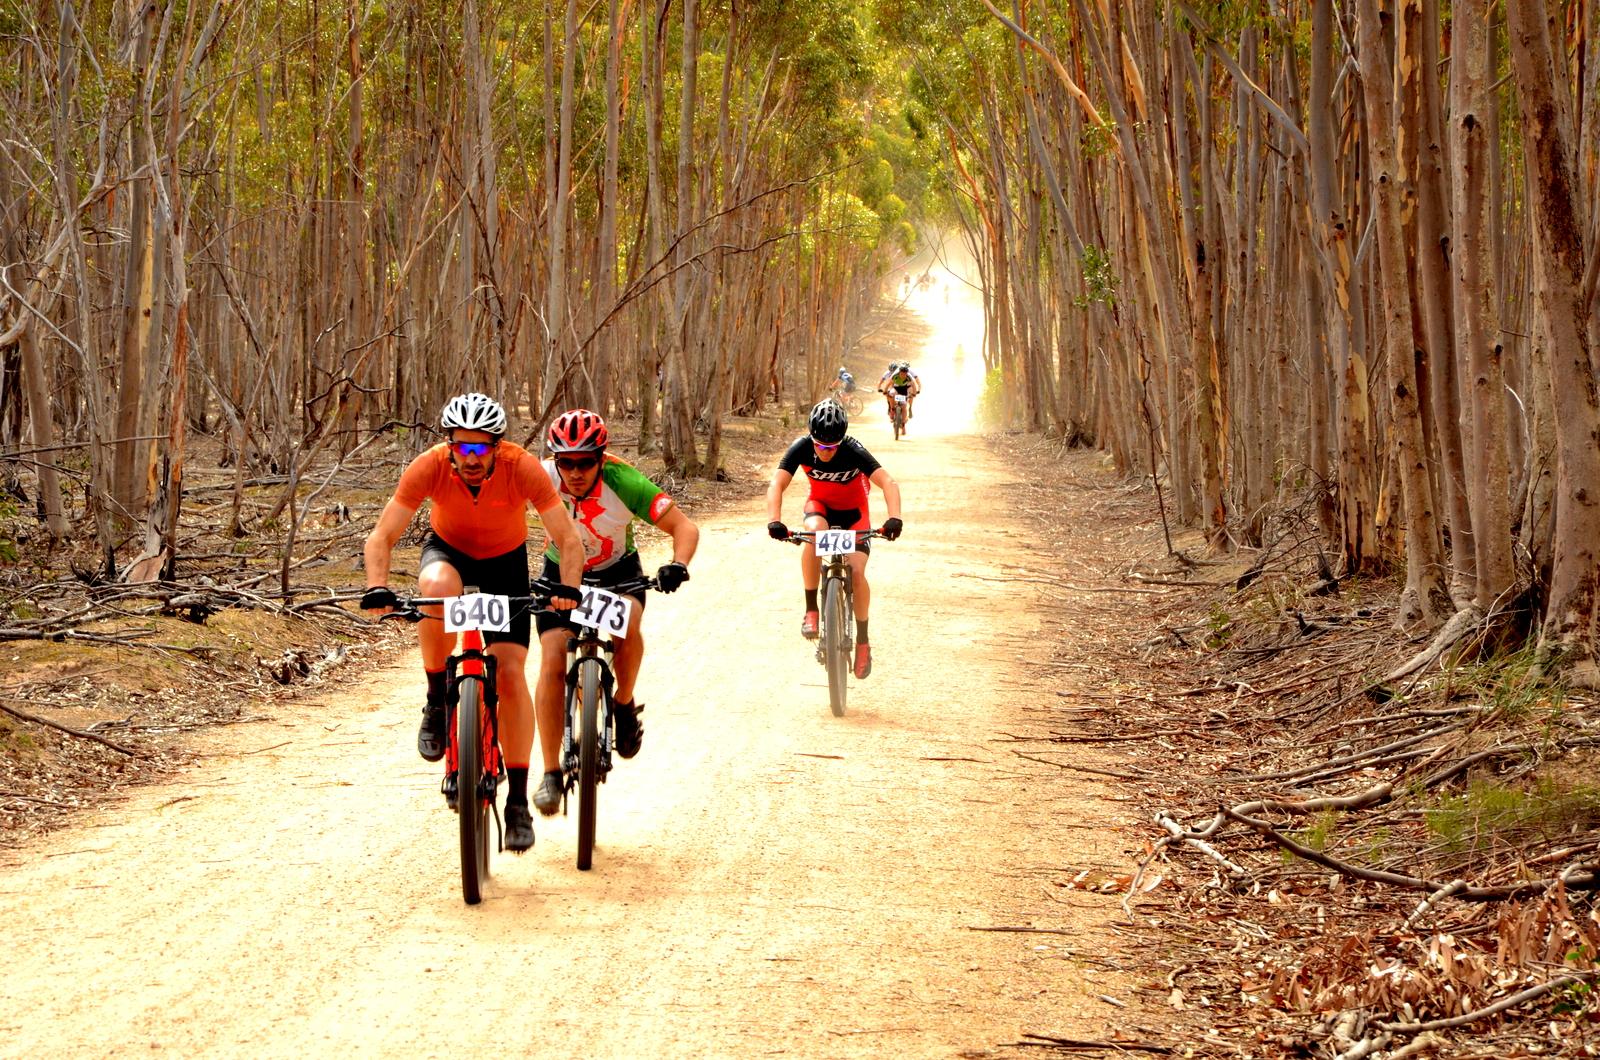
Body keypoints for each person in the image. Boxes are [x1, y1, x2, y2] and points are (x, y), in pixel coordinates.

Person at [362, 392, 584, 854]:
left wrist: (568, 588)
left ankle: (519, 801)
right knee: (436, 586)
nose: (471, 457)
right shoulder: (429, 466)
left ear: (497, 448)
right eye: (462, 447)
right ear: (449, 446)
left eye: (481, 448)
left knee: (508, 672)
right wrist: (377, 585)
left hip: (506, 563)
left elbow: (567, 537)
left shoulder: (520, 466)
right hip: (450, 551)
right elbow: (382, 534)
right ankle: (435, 700)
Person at [530, 409, 700, 817]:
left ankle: (622, 704)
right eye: (565, 462)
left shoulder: (624, 482)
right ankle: (551, 771)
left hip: (616, 572)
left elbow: (685, 528)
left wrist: (678, 563)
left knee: (629, 623)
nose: (573, 472)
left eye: (584, 462)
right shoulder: (541, 477)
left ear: (601, 458)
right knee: (553, 661)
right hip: (560, 574)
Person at [764, 400, 903, 679]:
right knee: (813, 536)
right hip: (821, 507)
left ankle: (862, 641)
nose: (826, 452)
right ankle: (812, 609)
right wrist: (774, 520)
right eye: (820, 446)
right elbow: (776, 483)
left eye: (832, 447)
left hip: (854, 514)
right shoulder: (801, 447)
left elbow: (888, 482)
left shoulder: (853, 448)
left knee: (858, 572)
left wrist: (894, 518)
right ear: (812, 439)